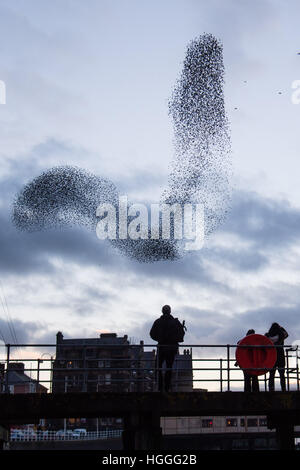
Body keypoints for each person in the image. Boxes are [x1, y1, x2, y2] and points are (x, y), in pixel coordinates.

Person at [150, 305, 183, 392]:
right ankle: (167, 387)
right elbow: (181, 335)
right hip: (171, 349)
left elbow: (152, 334)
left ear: (162, 311)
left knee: (158, 367)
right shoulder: (175, 322)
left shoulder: (158, 322)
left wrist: (159, 339)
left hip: (161, 347)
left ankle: (160, 387)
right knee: (169, 368)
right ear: (170, 311)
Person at [265, 323, 288, 391]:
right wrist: (281, 327)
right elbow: (286, 334)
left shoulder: (267, 335)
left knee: (271, 374)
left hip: (272, 356)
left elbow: (264, 341)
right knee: (282, 374)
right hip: (281, 356)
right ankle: (283, 389)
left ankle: (271, 389)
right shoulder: (281, 335)